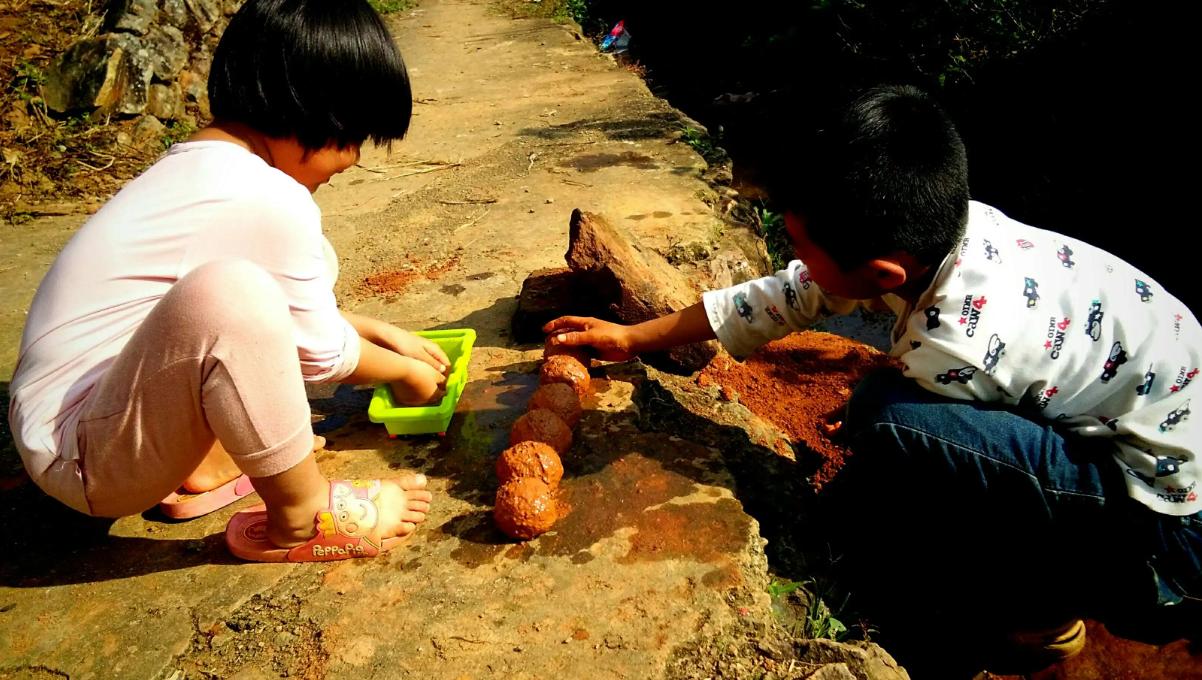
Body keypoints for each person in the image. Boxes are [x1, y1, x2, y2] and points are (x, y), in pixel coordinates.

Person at [545, 85, 1201, 668]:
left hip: (1168, 522)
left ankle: (1044, 613)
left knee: (888, 416)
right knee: (896, 407)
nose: (794, 259)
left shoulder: (957, 340)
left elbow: (913, 392)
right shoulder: (951, 231)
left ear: (883, 273)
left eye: (801, 246)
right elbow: (787, 295)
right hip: (1166, 417)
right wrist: (632, 337)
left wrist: (887, 416)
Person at [8, 0, 443, 562]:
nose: (354, 158)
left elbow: (278, 320)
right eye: (354, 135)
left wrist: (378, 331)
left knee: (276, 276)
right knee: (235, 293)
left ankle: (206, 465)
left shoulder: (204, 168)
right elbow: (314, 353)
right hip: (87, 458)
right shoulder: (267, 196)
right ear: (311, 110)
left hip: (98, 420)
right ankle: (302, 516)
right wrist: (406, 373)